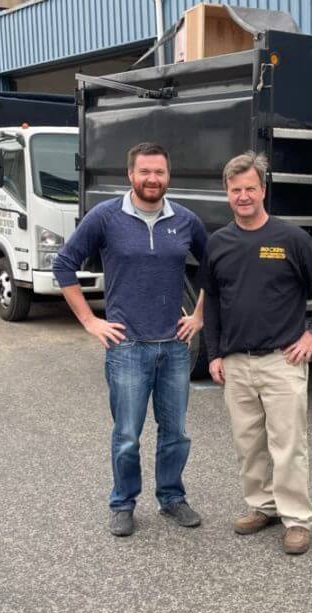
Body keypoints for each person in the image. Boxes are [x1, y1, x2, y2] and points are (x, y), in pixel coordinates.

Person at [53, 142, 207, 537]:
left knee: (176, 434)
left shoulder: (186, 221)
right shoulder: (105, 217)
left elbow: (215, 268)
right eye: (145, 172)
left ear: (168, 175)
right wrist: (90, 321)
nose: (152, 179)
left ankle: (171, 498)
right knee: (126, 435)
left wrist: (200, 315)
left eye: (159, 172)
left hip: (174, 348)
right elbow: (64, 264)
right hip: (127, 349)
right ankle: (123, 502)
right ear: (130, 175)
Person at [201, 151, 312, 555]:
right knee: (249, 443)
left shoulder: (290, 238)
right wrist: (214, 354)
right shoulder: (219, 243)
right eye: (235, 190)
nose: (243, 196)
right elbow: (212, 303)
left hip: (283, 361)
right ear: (227, 193)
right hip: (236, 363)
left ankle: (297, 519)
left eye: (250, 188)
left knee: (288, 444)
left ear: (263, 190)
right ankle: (262, 506)